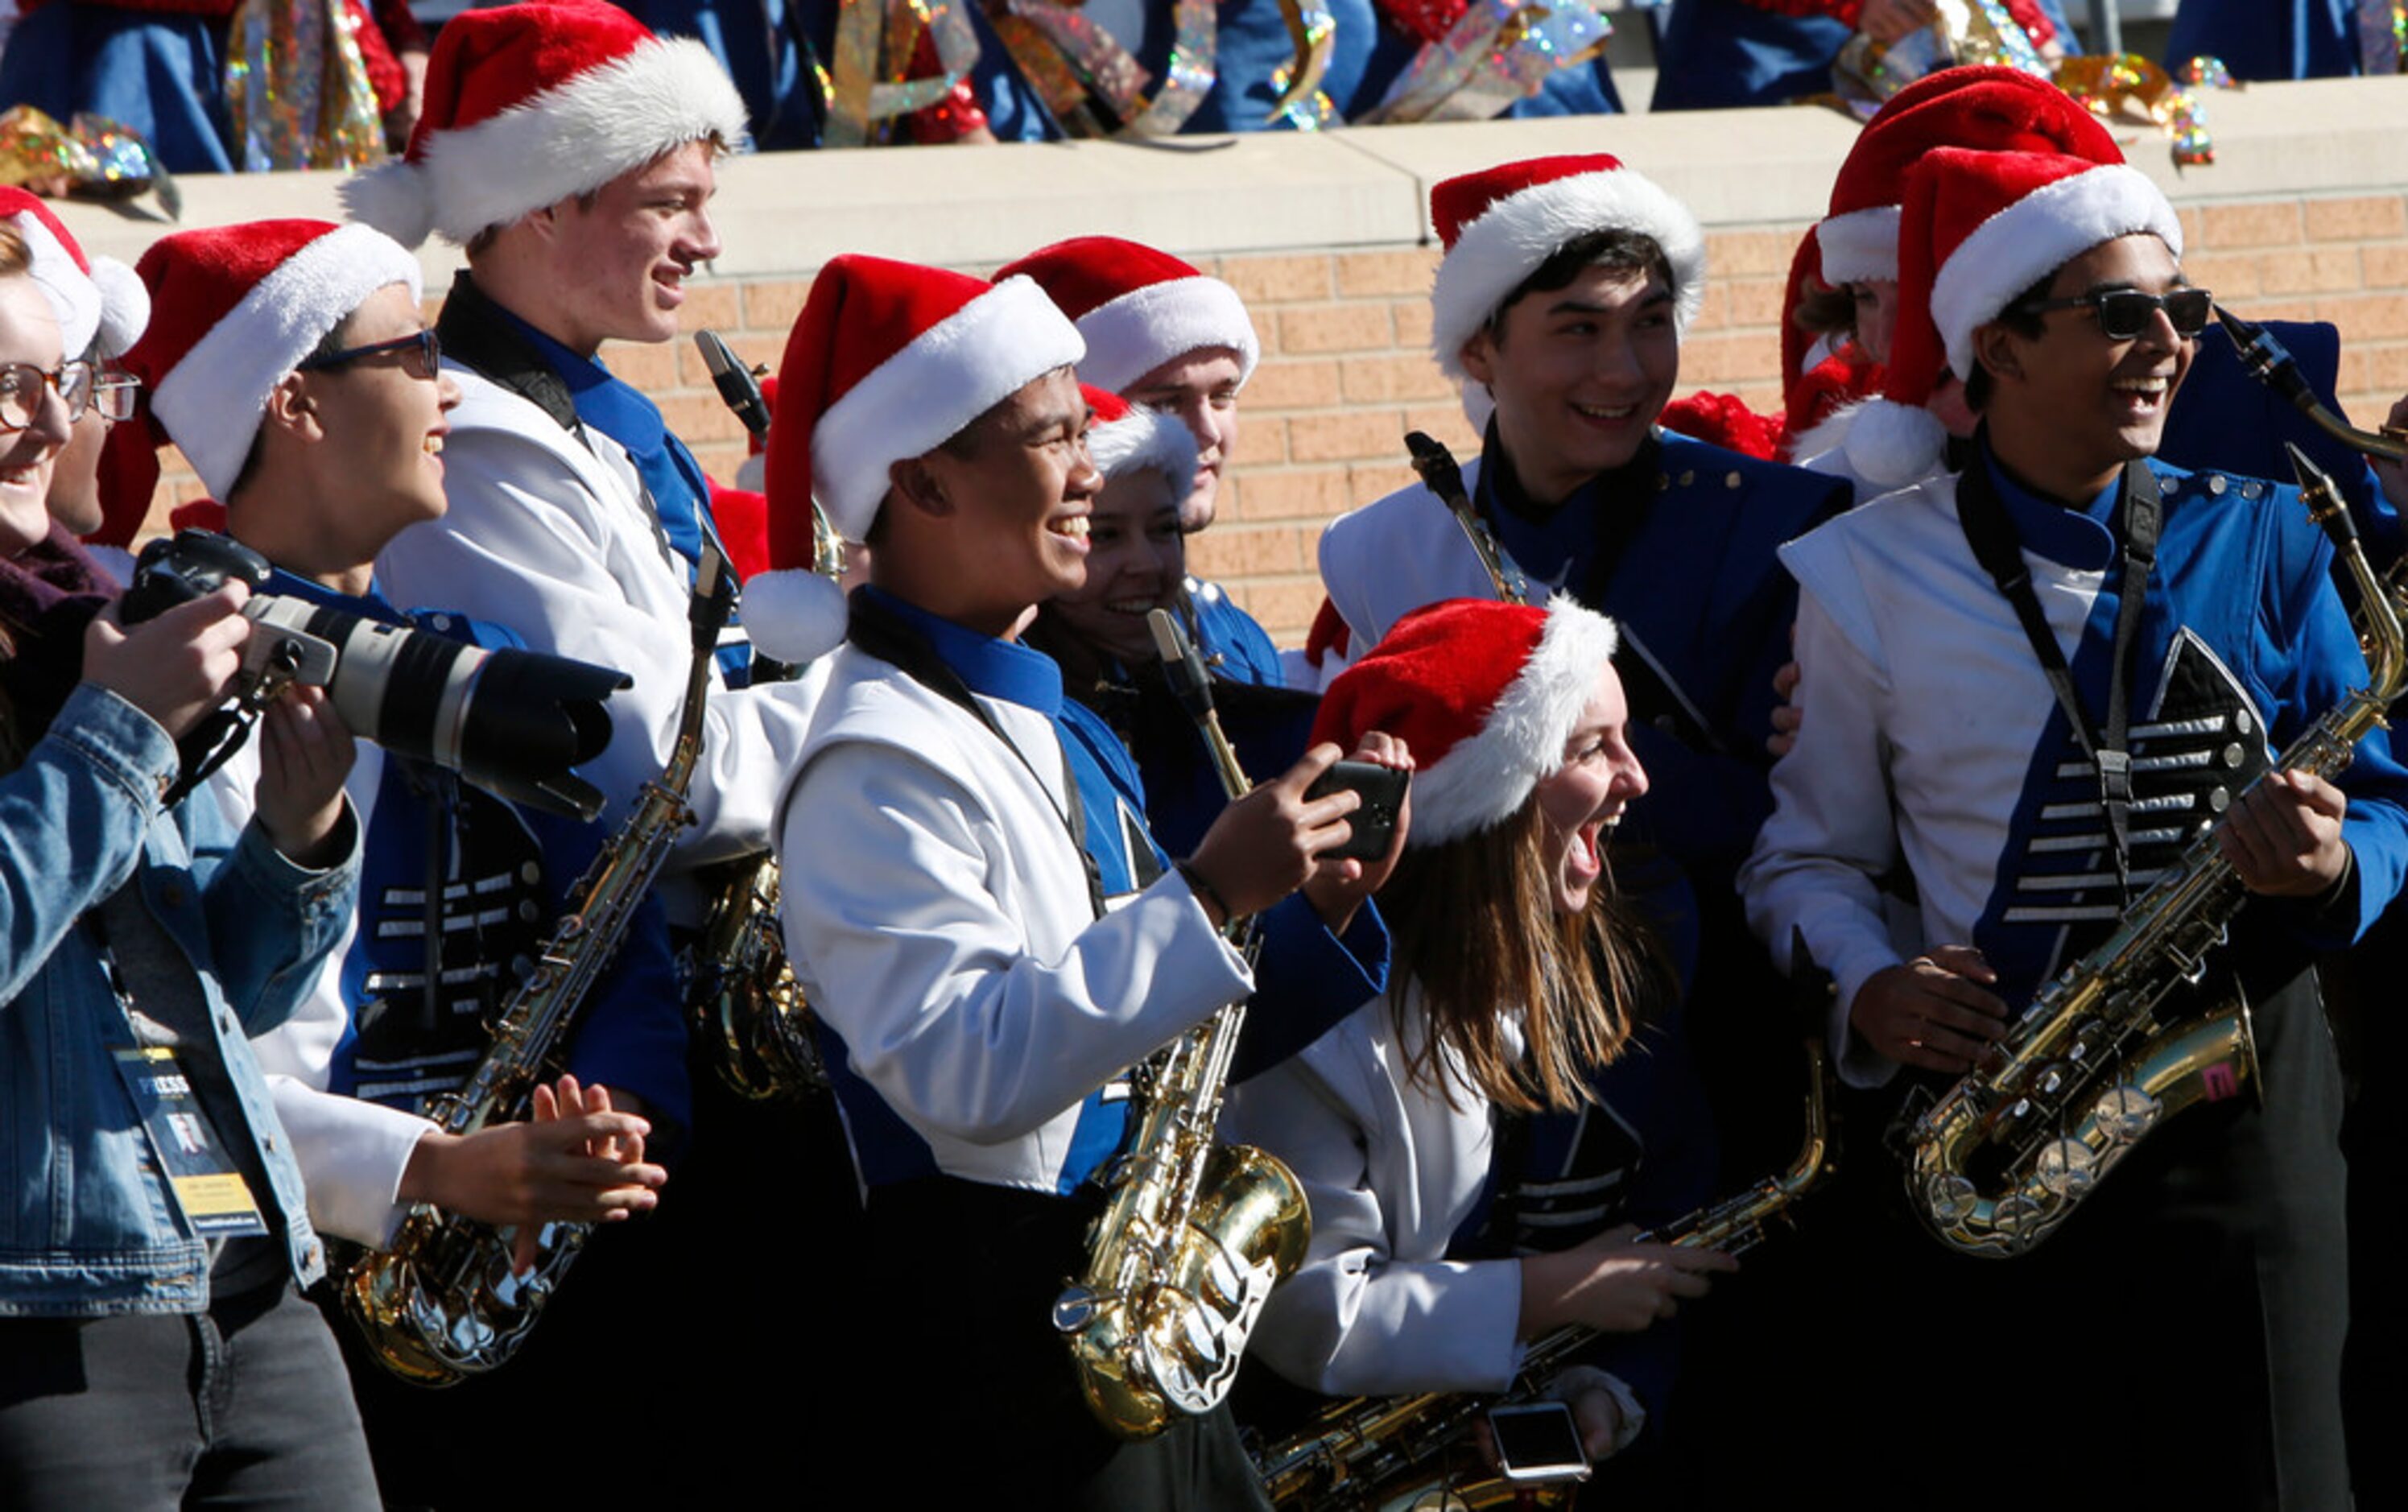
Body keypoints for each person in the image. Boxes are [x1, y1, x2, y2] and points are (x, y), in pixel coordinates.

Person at [1741, 145, 2408, 1509]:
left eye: (2177, 305)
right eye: (2119, 311)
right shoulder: (1863, 573)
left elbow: (2391, 795)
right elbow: (1804, 855)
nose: (2168, 343)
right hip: (2003, 1121)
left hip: (2249, 1116)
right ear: (1994, 342)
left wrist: (2338, 859)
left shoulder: (2273, 536)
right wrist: (1867, 984)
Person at [750, 253, 1398, 1507]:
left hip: (1114, 1296)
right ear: (924, 479)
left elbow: (1144, 1027)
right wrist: (1211, 894)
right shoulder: (875, 755)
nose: (1092, 472)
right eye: (1055, 436)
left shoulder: (1033, 710)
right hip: (996, 1339)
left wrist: (1307, 901)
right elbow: (968, 1071)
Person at [120, 214, 679, 1500]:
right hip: (322, 1301)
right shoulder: (181, 681)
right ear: (295, 403)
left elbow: (616, 916)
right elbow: (211, 1067)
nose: (447, 381)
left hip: (543, 1265)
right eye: (412, 348)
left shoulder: (463, 651)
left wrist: (608, 1123)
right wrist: (430, 1173)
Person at [0, 217, 378, 1508]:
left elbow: (234, 998)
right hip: (42, 1326)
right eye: (6, 386)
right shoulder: (113, 680)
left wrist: (296, 836)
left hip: (253, 1286)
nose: (50, 426)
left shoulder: (84, 623)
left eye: (69, 384)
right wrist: (117, 737)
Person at [1225, 596, 1732, 1485]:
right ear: (1484, 805)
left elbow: (1656, 1219)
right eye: (1590, 750)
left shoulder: (1619, 954)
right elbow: (1311, 1320)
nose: (1636, 779)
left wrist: (1603, 1386)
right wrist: (1549, 1297)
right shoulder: (1318, 1030)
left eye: (1626, 739)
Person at [995, 234, 1284, 684]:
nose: (1207, 432)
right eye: (1166, 405)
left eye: (1224, 395)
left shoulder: (1231, 632)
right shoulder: (1006, 657)